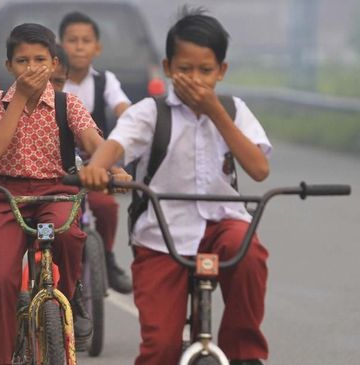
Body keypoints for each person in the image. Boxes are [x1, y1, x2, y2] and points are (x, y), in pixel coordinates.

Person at [78, 8, 272, 365]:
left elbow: (259, 169)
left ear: (221, 71)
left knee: (249, 252)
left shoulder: (233, 110)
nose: (194, 79)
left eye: (205, 70)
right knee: (160, 348)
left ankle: (243, 354)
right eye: (184, 69)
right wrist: (96, 167)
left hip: (222, 222)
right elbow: (118, 143)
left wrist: (214, 111)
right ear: (168, 68)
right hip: (161, 234)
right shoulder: (152, 112)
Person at [0, 23, 127, 365]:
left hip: (54, 194)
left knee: (70, 237)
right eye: (22, 61)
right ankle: (1, 357)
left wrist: (112, 168)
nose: (31, 68)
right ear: (9, 67)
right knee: (1, 280)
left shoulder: (67, 104)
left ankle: (71, 294)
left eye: (39, 60)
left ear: (55, 64)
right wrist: (18, 100)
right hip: (6, 198)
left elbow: (93, 143)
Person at [59, 11, 133, 294]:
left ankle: (107, 256)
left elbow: (123, 110)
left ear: (96, 47)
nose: (79, 46)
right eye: (72, 40)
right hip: (60, 167)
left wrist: (135, 122)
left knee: (106, 207)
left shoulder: (105, 82)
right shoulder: (55, 81)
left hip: (94, 166)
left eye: (86, 41)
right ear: (60, 44)